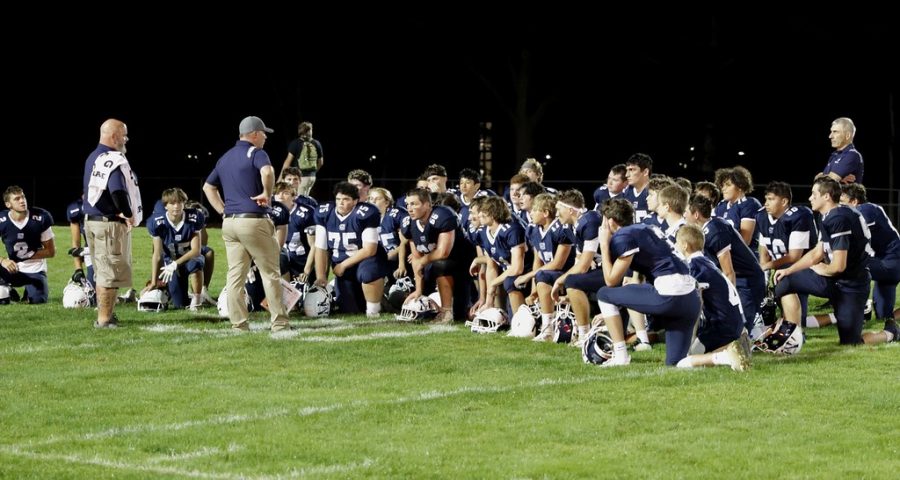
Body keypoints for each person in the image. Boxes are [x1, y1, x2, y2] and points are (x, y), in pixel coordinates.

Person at [774, 177, 896, 345]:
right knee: (784, 280)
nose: (810, 198)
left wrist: (819, 268)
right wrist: (789, 270)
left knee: (851, 342)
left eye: (814, 194)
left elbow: (838, 266)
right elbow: (817, 252)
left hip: (852, 286)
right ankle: (793, 336)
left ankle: (890, 333)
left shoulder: (839, 218)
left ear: (827, 196)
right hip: (832, 281)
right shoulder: (828, 215)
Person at [203, 116, 290, 332]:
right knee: (270, 273)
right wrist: (267, 194)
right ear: (254, 134)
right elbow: (268, 171)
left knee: (235, 275)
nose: (265, 137)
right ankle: (279, 324)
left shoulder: (225, 158)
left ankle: (238, 324)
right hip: (253, 221)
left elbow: (208, 187)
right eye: (263, 133)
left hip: (230, 223)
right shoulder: (256, 153)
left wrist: (224, 210)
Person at [595, 198, 701, 367]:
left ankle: (621, 355)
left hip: (670, 294)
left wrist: (603, 245)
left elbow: (610, 280)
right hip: (690, 298)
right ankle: (724, 357)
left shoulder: (623, 235)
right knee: (676, 363)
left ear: (609, 221)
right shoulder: (647, 228)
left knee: (604, 294)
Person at [83, 119, 142, 328]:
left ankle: (106, 315)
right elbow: (116, 189)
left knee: (103, 272)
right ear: (114, 136)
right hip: (107, 223)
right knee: (110, 273)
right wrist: (126, 213)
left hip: (93, 221)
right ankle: (104, 319)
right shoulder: (113, 158)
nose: (127, 138)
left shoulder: (93, 156)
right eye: (124, 134)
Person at [674, 224, 751, 371]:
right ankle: (733, 347)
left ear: (684, 245)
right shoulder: (707, 262)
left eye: (677, 243)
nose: (675, 247)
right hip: (734, 323)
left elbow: (696, 304)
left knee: (683, 361)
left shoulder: (694, 267)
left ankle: (726, 356)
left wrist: (690, 337)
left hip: (722, 326)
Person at [400, 187, 477, 322]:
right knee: (436, 267)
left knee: (461, 314)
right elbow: (417, 259)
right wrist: (418, 290)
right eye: (407, 204)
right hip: (436, 262)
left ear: (428, 205)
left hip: (463, 260)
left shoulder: (443, 215)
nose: (409, 208)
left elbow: (443, 252)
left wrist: (422, 262)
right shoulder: (409, 224)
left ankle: (448, 311)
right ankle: (444, 310)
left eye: (414, 204)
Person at [314, 182, 388, 317]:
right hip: (344, 269)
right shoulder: (324, 213)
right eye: (338, 199)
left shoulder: (365, 213)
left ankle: (374, 311)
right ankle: (380, 301)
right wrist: (321, 276)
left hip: (365, 261)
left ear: (355, 201)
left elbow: (369, 250)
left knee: (368, 273)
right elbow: (320, 247)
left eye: (346, 199)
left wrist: (343, 265)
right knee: (349, 310)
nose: (341, 203)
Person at [755, 182, 818, 328]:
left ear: (784, 201)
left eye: (771, 199)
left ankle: (793, 333)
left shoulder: (799, 216)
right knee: (794, 320)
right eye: (766, 199)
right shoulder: (762, 216)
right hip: (780, 268)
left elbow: (794, 256)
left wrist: (767, 266)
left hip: (802, 268)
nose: (766, 203)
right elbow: (764, 248)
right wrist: (764, 275)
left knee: (785, 283)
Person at [840, 183, 899, 323]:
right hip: (886, 261)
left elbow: (855, 237)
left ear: (854, 201)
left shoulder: (866, 209)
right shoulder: (865, 210)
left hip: (892, 263)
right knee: (884, 317)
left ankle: (858, 306)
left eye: (842, 203)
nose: (840, 206)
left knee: (849, 265)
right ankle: (864, 307)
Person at [146, 188, 204, 310]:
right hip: (170, 262)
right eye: (172, 203)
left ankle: (197, 299)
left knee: (196, 263)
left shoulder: (194, 217)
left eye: (180, 202)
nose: (176, 206)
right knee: (180, 304)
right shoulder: (156, 222)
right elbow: (157, 254)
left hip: (188, 259)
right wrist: (154, 281)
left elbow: (196, 251)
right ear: (165, 206)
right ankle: (172, 291)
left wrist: (175, 264)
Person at [0, 186, 55, 304]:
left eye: (23, 197)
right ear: (8, 204)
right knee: (2, 299)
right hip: (12, 267)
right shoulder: (2, 219)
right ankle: (7, 289)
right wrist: (3, 261)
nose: (22, 201)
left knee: (37, 300)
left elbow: (50, 252)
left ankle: (29, 291)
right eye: (17, 199)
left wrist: (26, 255)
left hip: (34, 268)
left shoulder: (40, 217)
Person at [280, 121, 323, 196]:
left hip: (300, 177)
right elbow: (321, 162)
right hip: (312, 177)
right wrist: (313, 172)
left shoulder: (295, 143)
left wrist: (281, 177)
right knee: (305, 197)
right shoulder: (317, 143)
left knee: (299, 200)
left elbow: (287, 162)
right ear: (310, 130)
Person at [816, 117, 863, 184]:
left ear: (847, 135)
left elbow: (828, 183)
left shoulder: (852, 155)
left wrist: (823, 176)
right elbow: (819, 180)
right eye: (831, 132)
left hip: (844, 194)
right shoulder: (834, 155)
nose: (830, 136)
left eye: (835, 132)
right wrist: (837, 178)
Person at [65, 196, 95, 297]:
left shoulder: (107, 206)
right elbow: (76, 245)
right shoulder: (77, 209)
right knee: (94, 294)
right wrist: (78, 269)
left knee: (105, 290)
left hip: (111, 252)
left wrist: (85, 251)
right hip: (91, 252)